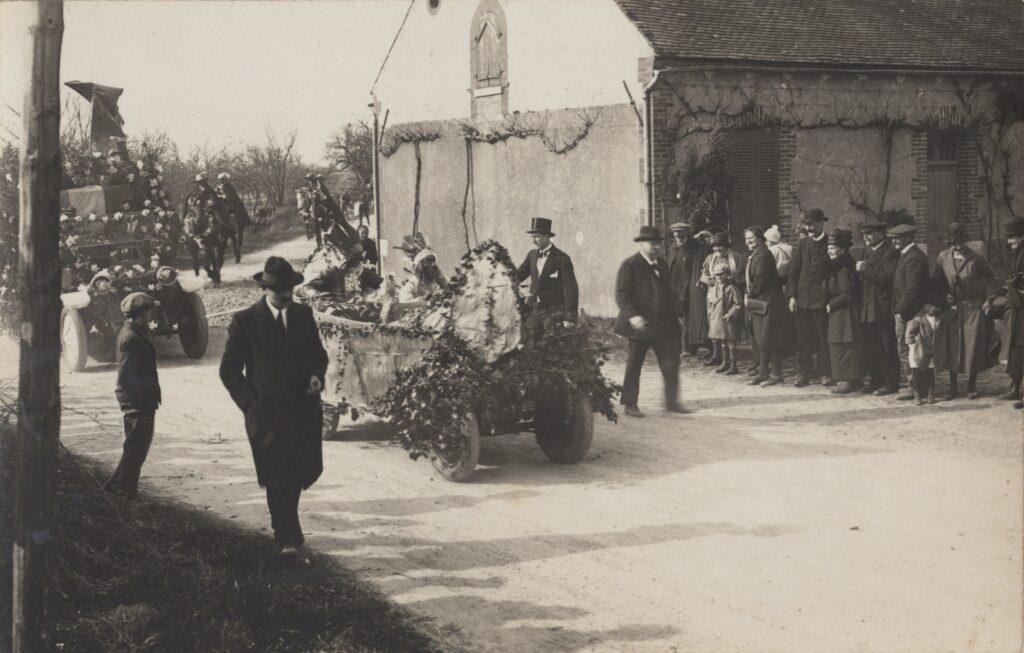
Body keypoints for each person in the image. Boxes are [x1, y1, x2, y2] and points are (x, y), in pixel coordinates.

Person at [220, 257, 329, 557]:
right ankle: (287, 536)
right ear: (266, 290)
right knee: (275, 475)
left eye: (290, 290)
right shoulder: (245, 322)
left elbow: (318, 356)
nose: (286, 296)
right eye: (280, 291)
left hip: (301, 409)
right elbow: (229, 371)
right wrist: (250, 405)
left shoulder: (304, 315)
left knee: (295, 472)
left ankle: (288, 530)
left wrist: (316, 376)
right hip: (266, 414)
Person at [614, 226, 688, 417]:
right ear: (640, 244)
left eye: (658, 244)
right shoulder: (630, 265)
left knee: (671, 362)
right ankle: (630, 404)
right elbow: (622, 295)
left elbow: (669, 293)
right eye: (652, 244)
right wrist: (634, 317)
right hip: (640, 325)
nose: (656, 247)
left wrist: (678, 316)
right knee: (634, 365)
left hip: (664, 324)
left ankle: (672, 402)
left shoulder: (662, 264)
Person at [932, 222, 1000, 399]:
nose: (957, 247)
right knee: (953, 347)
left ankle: (971, 386)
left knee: (972, 348)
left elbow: (993, 280)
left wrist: (990, 299)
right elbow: (936, 283)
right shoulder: (942, 257)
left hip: (973, 309)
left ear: (966, 242)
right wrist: (943, 296)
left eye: (960, 242)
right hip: (953, 309)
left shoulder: (977, 258)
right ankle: (952, 388)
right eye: (953, 243)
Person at [105, 292, 161, 499]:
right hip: (137, 402)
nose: (152, 314)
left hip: (142, 399)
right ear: (142, 313)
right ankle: (125, 496)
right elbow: (126, 376)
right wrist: (137, 406)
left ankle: (113, 488)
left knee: (134, 450)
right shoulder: (131, 337)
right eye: (150, 310)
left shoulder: (136, 331)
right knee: (135, 452)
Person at [515, 217, 579, 341]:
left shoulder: (562, 258)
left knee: (553, 345)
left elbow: (571, 288)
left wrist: (570, 317)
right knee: (530, 342)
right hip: (534, 309)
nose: (534, 240)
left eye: (537, 236)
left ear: (546, 236)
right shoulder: (532, 255)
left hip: (553, 312)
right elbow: (518, 276)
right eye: (532, 237)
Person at [856, 220, 900, 395]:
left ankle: (891, 383)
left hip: (882, 306)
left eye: (869, 233)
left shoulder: (891, 252)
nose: (865, 237)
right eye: (864, 233)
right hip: (867, 307)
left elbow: (886, 278)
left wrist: (864, 269)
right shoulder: (867, 250)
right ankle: (875, 380)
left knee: (887, 346)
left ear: (881, 234)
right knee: (871, 345)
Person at [788, 208, 832, 387]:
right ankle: (803, 373)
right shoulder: (803, 244)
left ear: (822, 223)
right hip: (802, 300)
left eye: (813, 224)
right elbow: (793, 272)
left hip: (822, 300)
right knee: (803, 338)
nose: (810, 228)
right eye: (807, 225)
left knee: (823, 338)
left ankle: (825, 373)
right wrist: (791, 296)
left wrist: (829, 295)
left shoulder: (830, 243)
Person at [889, 223, 930, 401]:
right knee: (907, 348)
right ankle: (913, 385)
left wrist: (900, 311)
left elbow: (913, 289)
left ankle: (915, 386)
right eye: (894, 238)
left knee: (909, 349)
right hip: (907, 311)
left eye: (898, 238)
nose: (894, 241)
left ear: (908, 238)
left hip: (910, 313)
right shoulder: (906, 255)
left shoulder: (914, 258)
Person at [744, 226, 787, 386]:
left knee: (770, 337)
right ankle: (763, 372)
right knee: (761, 337)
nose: (748, 242)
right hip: (760, 301)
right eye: (746, 239)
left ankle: (777, 373)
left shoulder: (763, 255)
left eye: (751, 239)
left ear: (760, 238)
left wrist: (749, 296)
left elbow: (760, 280)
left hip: (769, 301)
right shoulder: (755, 254)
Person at [699, 231, 746, 366]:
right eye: (714, 246)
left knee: (729, 328)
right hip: (714, 297)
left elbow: (742, 277)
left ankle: (731, 361)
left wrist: (730, 281)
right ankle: (716, 355)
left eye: (720, 246)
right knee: (714, 325)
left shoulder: (736, 258)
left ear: (727, 246)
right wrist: (711, 281)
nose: (717, 249)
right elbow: (704, 273)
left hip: (730, 295)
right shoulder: (710, 258)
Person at [991, 215, 1024, 408]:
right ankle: (1015, 388)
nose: (1009, 240)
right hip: (1018, 308)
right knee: (1016, 348)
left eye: (1012, 236)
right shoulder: (1017, 252)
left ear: (1022, 236)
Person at [825, 229, 862, 394]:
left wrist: (831, 305)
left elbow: (847, 294)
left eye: (832, 248)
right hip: (842, 311)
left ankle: (845, 380)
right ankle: (849, 379)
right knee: (841, 343)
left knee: (843, 344)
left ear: (842, 249)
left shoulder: (843, 268)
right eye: (828, 248)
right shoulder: (841, 264)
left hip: (844, 312)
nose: (829, 251)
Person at [906, 292, 956, 406]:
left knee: (930, 373)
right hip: (919, 349)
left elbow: (952, 314)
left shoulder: (941, 317)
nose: (929, 309)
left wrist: (950, 305)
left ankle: (931, 393)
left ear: (938, 307)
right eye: (927, 306)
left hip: (932, 350)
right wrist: (911, 344)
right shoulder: (918, 317)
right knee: (916, 373)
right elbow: (909, 332)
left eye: (932, 306)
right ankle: (917, 394)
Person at [706, 261, 743, 375]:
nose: (718, 277)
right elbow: (709, 302)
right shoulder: (713, 288)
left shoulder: (732, 288)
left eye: (721, 274)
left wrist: (731, 313)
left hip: (728, 320)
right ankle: (724, 362)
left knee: (731, 342)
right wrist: (710, 313)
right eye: (716, 274)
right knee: (722, 341)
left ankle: (733, 365)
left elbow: (738, 303)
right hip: (717, 319)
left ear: (727, 274)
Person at [667, 222, 697, 354]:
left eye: (681, 232)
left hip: (687, 289)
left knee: (687, 319)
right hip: (673, 289)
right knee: (675, 319)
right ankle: (677, 346)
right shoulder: (672, 247)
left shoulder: (692, 248)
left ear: (687, 233)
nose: (678, 235)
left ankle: (690, 348)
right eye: (676, 232)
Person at [216, 172, 252, 264]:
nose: (222, 181)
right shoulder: (218, 188)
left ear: (226, 180)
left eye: (223, 180)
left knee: (236, 237)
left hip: (233, 213)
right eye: (220, 180)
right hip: (223, 213)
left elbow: (231, 198)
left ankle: (237, 256)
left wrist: (221, 196)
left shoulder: (230, 188)